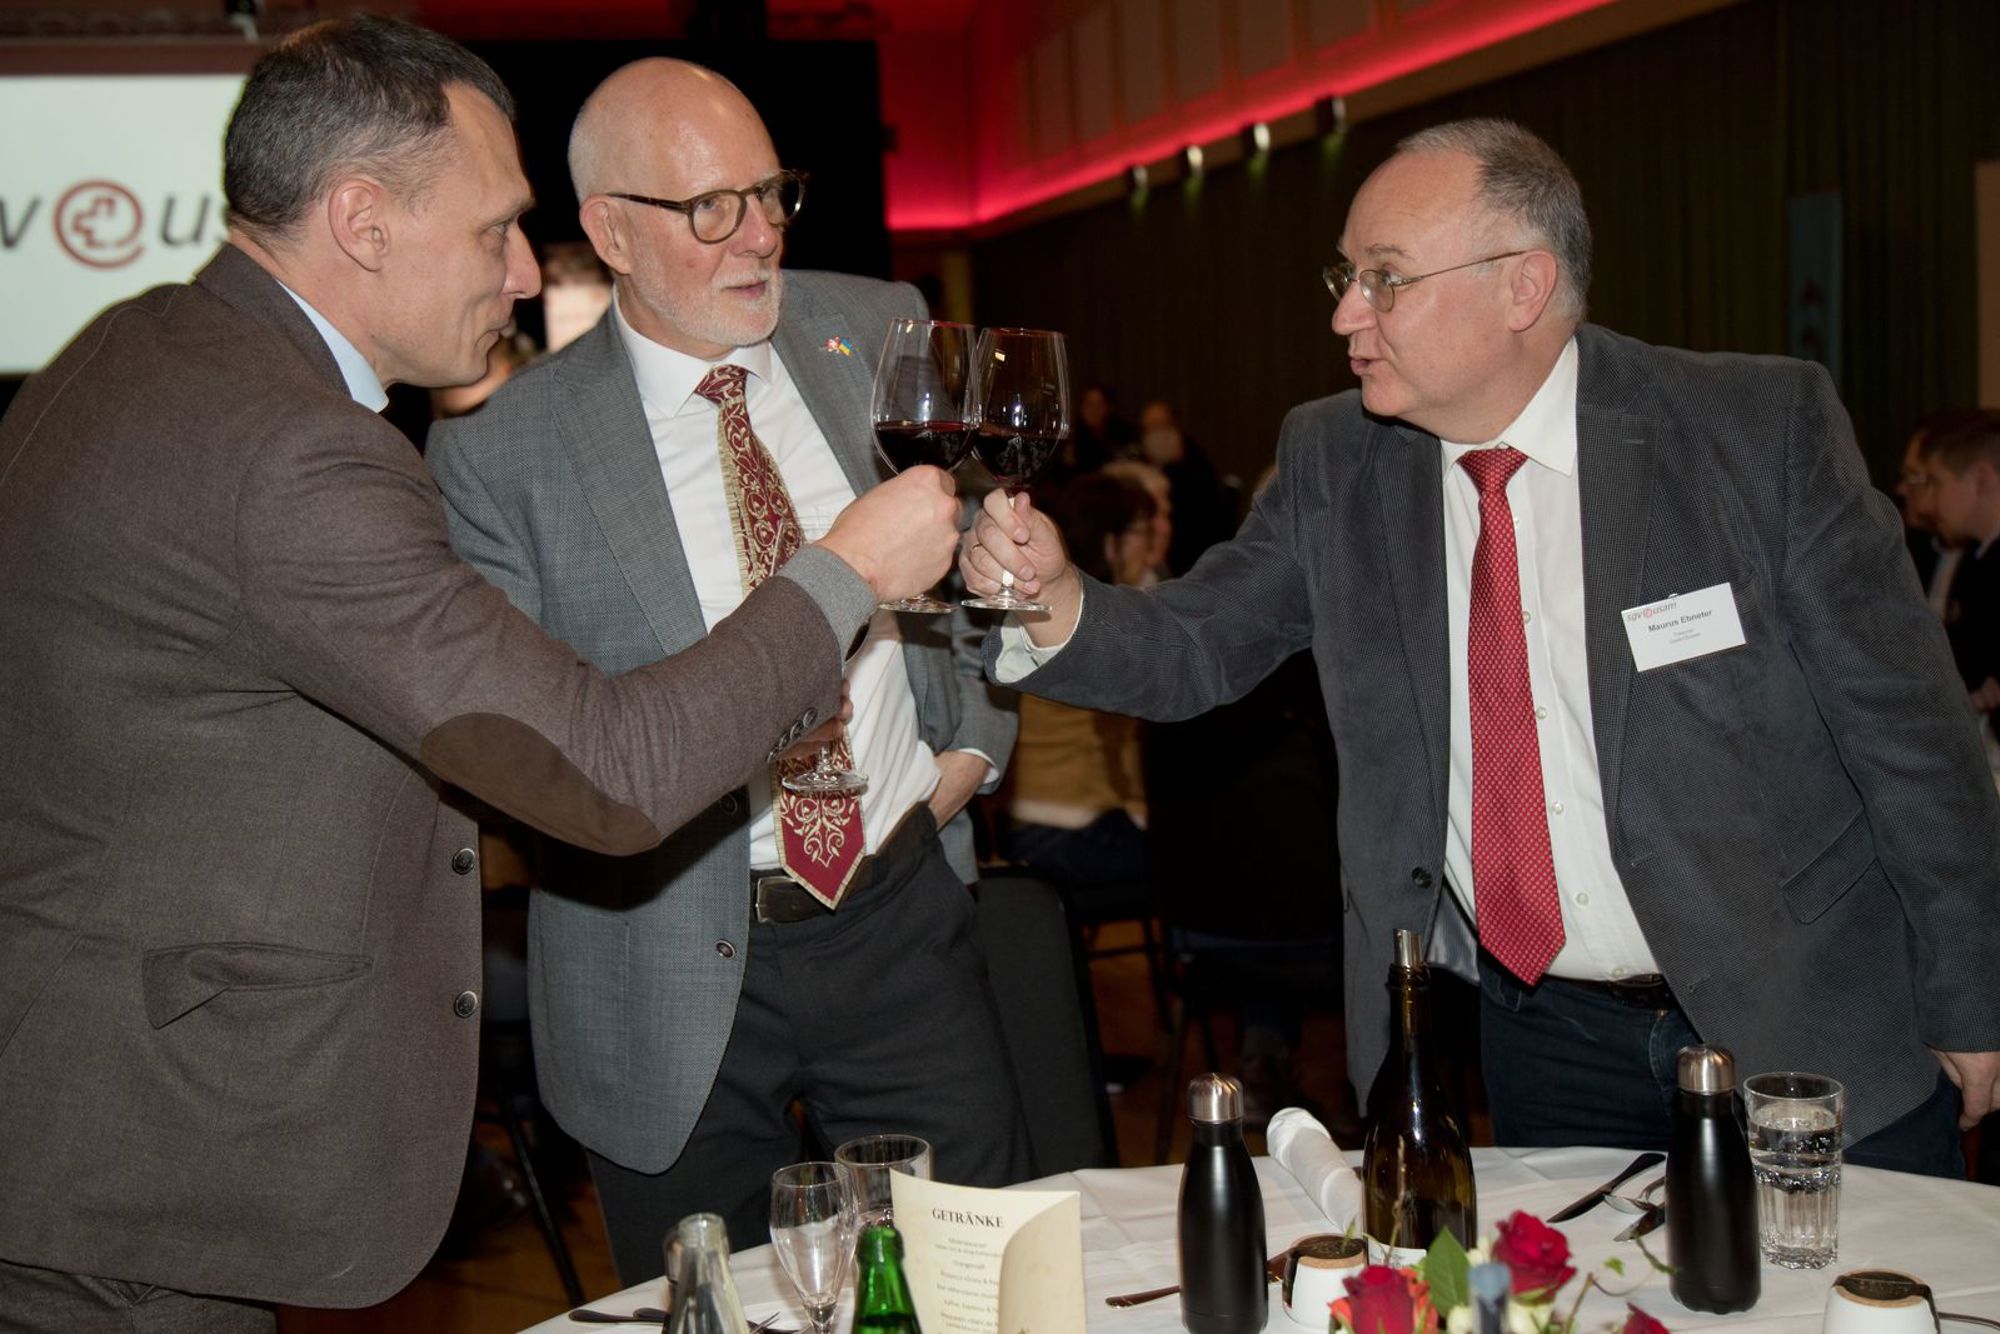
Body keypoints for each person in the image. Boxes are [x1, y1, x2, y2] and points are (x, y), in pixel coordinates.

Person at [0, 19, 962, 1329]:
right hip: (145, 1180)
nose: (522, 268)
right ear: (363, 221)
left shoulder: (133, 347)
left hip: (83, 1117)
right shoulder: (295, 455)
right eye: (494, 228)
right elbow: (607, 770)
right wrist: (843, 571)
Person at [963, 117, 2000, 1176]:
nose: (1345, 313)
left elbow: (1912, 735)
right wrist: (1056, 598)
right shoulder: (1336, 461)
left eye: (1385, 278)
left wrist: (1970, 997)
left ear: (1522, 287)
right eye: (1346, 276)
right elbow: (1197, 643)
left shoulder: (1750, 429)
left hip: (1799, 1016)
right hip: (1547, 1040)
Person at [425, 57, 1027, 1279]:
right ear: (610, 234)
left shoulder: (875, 324)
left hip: (897, 912)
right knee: (716, 1304)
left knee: (974, 1284)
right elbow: (525, 754)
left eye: (770, 193)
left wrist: (973, 738)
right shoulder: (501, 452)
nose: (759, 235)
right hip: (657, 953)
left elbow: (972, 541)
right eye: (711, 208)